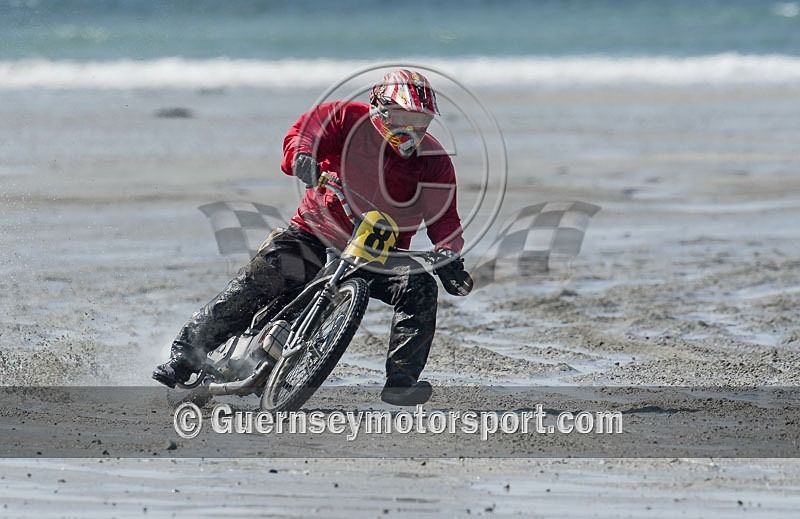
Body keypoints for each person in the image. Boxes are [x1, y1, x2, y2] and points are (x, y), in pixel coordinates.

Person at [153, 69, 473, 405]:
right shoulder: (345, 118)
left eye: (421, 121)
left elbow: (445, 218)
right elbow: (304, 134)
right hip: (312, 234)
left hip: (375, 253)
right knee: (259, 280)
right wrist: (302, 157)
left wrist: (448, 254)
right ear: (378, 107)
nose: (412, 129)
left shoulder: (434, 161)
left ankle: (401, 382)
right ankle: (184, 357)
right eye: (403, 117)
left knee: (420, 286)